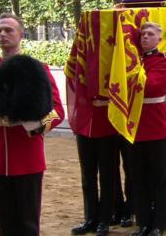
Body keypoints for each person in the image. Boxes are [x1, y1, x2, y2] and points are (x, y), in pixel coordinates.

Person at [0, 13, 65, 236]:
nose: (3, 35)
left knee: (27, 224)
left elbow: (57, 112)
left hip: (27, 157)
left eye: (9, 30)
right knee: (4, 224)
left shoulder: (37, 69)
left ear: (21, 35)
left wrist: (35, 128)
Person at [129, 22, 166, 236]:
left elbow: (153, 86)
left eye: (150, 34)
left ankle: (158, 224)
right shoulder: (133, 60)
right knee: (138, 178)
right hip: (136, 127)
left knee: (160, 178)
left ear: (159, 38)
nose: (145, 38)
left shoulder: (164, 60)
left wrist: (132, 73)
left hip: (156, 127)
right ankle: (143, 222)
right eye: (142, 35)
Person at [70, 98, 119, 236]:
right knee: (87, 177)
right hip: (85, 124)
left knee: (107, 176)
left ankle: (105, 219)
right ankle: (90, 218)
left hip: (106, 122)